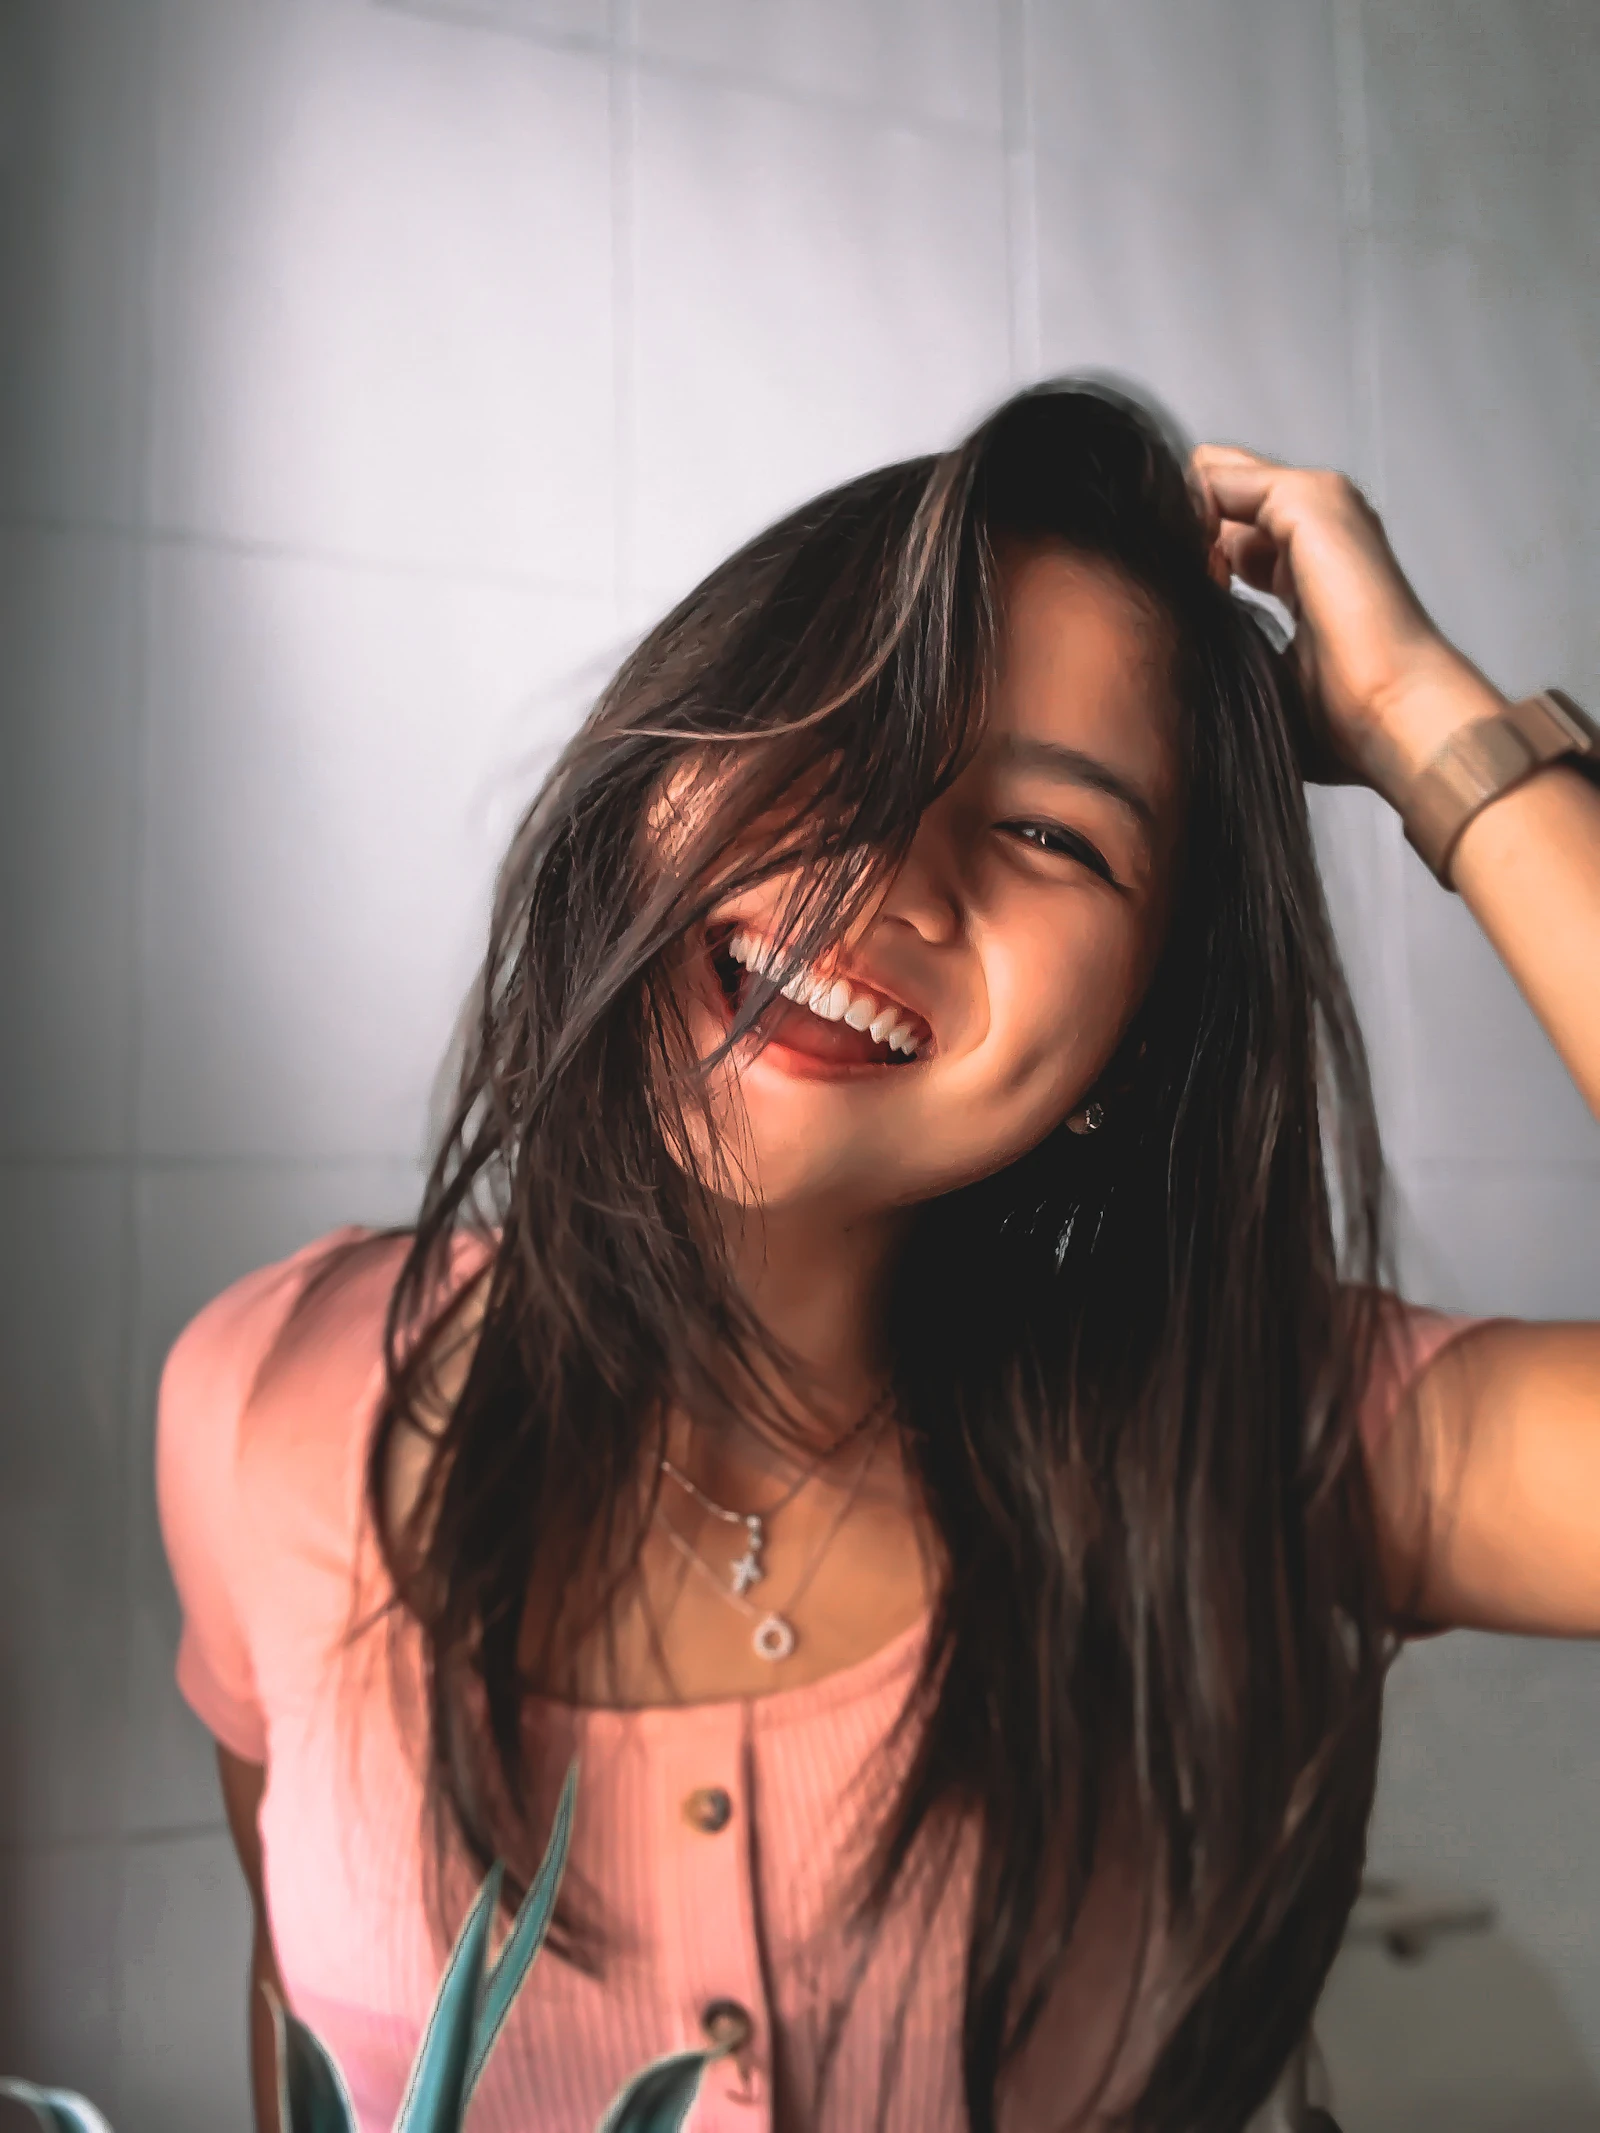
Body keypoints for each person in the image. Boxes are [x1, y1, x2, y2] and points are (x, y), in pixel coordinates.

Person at [156, 382, 1600, 2133]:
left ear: (1131, 1045)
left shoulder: (1258, 1437)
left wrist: (1427, 723)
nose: (883, 869)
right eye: (836, 727)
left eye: (1052, 835)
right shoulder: (268, 1399)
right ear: (655, 772)